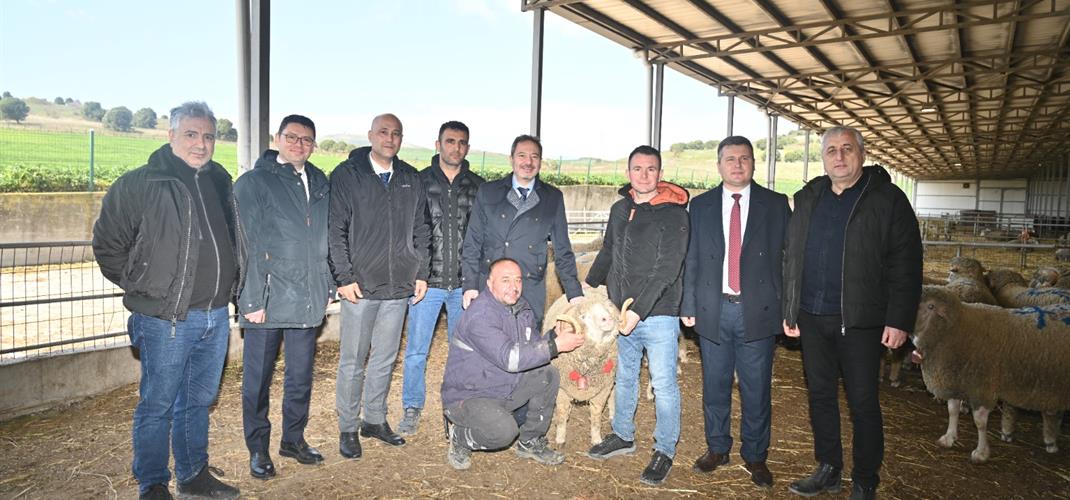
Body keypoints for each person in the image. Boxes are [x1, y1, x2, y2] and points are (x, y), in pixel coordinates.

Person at [92, 101, 239, 500]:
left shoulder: (220, 181)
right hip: (165, 318)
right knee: (157, 404)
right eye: (191, 134)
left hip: (215, 315)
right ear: (171, 135)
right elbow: (108, 246)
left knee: (197, 402)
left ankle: (193, 475)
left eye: (208, 135)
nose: (201, 143)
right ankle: (153, 483)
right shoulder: (140, 184)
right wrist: (144, 286)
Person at [782, 126, 922, 500]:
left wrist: (899, 319)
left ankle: (864, 478)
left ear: (862, 154)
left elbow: (906, 263)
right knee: (821, 396)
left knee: (862, 401)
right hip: (812, 316)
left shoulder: (887, 199)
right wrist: (790, 307)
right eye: (831, 150)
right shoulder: (810, 197)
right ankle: (828, 467)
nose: (839, 156)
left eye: (847, 149)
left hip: (860, 320)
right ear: (823, 157)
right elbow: (792, 256)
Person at [680, 136, 791, 490]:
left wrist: (788, 308)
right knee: (714, 385)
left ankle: (756, 455)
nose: (738, 165)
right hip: (714, 309)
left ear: (754, 164)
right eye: (730, 159)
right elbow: (692, 257)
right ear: (719, 165)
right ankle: (718, 448)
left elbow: (788, 261)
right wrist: (688, 304)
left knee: (756, 388)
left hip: (757, 312)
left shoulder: (775, 205)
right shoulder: (700, 206)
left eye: (744, 158)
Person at [583, 146, 690, 486]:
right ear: (628, 172)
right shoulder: (619, 209)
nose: (644, 175)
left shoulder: (675, 214)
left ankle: (665, 449)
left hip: (657, 313)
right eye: (637, 168)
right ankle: (623, 434)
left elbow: (667, 269)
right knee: (625, 376)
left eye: (651, 169)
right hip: (620, 311)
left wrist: (639, 312)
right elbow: (609, 251)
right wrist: (589, 288)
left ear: (660, 173)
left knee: (662, 383)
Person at [327, 113, 431, 459]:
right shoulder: (347, 175)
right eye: (384, 132)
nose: (390, 138)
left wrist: (422, 272)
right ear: (371, 135)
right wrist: (343, 277)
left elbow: (422, 228)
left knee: (385, 358)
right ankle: (347, 426)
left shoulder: (410, 178)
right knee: (353, 359)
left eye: (396, 133)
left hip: (399, 286)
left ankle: (374, 419)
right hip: (361, 286)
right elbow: (335, 229)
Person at [234, 115, 331, 479]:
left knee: (300, 376)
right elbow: (248, 244)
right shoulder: (255, 183)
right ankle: (258, 449)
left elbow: (321, 240)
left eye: (307, 140)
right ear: (277, 138)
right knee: (257, 379)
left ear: (313, 144)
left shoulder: (319, 182)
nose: (299, 145)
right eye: (292, 137)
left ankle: (293, 439)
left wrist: (327, 285)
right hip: (269, 296)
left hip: (306, 296)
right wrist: (252, 299)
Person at [440, 258, 585, 470]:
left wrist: (554, 335)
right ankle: (461, 436)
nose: (514, 286)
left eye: (518, 280)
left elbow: (532, 348)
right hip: (469, 395)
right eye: (505, 280)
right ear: (489, 284)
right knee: (503, 433)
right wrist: (556, 346)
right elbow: (510, 358)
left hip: (502, 387)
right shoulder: (480, 315)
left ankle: (530, 441)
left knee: (548, 374)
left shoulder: (520, 309)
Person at [398, 121, 485, 436]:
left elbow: (481, 236)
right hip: (427, 283)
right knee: (417, 350)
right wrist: (414, 271)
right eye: (450, 141)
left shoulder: (478, 186)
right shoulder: (418, 182)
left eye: (462, 142)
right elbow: (409, 230)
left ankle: (457, 410)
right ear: (438, 144)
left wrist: (477, 280)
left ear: (467, 147)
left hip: (464, 285)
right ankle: (411, 407)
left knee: (462, 350)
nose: (456, 147)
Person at [461, 134, 583, 326]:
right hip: (492, 283)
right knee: (488, 340)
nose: (528, 162)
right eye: (522, 155)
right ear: (511, 159)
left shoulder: (552, 197)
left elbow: (563, 250)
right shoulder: (488, 191)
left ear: (540, 162)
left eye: (534, 156)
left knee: (527, 344)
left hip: (529, 286)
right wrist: (469, 285)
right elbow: (472, 242)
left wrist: (574, 293)